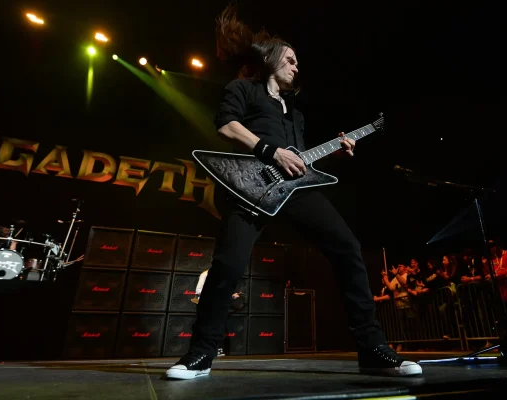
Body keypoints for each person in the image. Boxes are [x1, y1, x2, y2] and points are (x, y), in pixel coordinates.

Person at [165, 4, 422, 380]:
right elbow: (225, 125)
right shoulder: (244, 89)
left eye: (298, 62)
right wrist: (271, 151)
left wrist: (336, 152)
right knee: (228, 265)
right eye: (290, 59)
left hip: (294, 192)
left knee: (348, 248)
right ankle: (200, 353)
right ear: (269, 59)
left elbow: (300, 162)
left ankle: (372, 348)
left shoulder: (295, 114)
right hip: (249, 188)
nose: (296, 66)